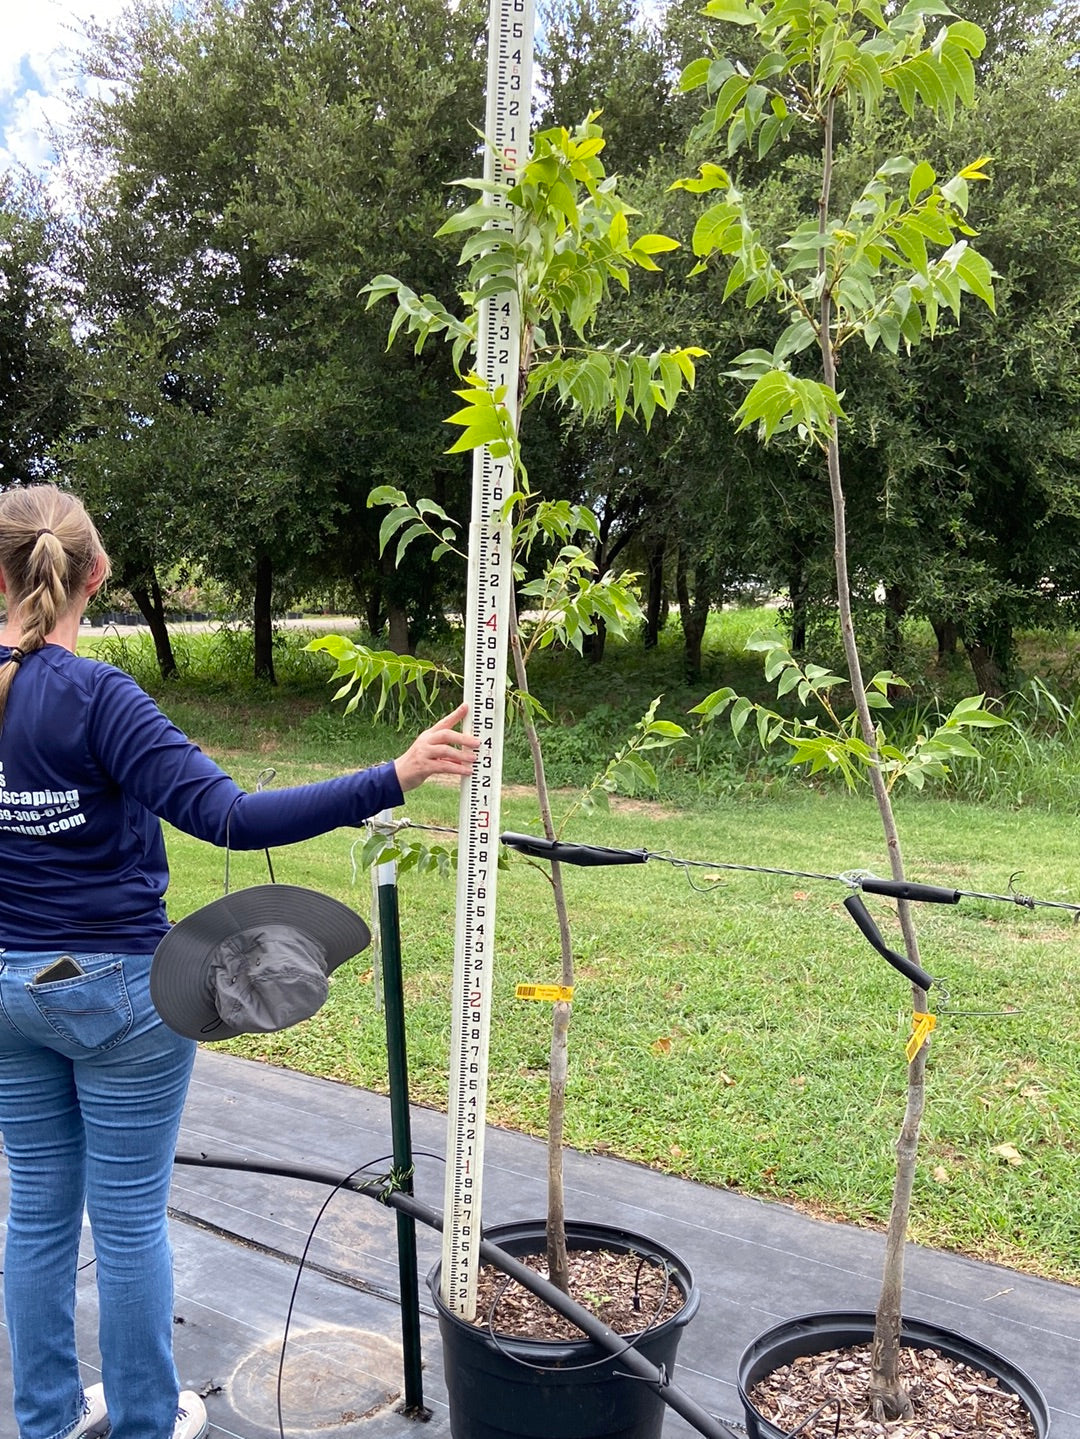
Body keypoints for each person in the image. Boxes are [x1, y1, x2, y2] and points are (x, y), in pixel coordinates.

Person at [0, 484, 480, 1439]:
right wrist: (395, 774)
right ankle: (142, 1422)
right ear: (97, 576)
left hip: (8, 988)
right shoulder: (99, 696)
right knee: (128, 1224)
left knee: (36, 1215)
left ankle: (46, 1422)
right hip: (114, 993)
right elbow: (229, 816)